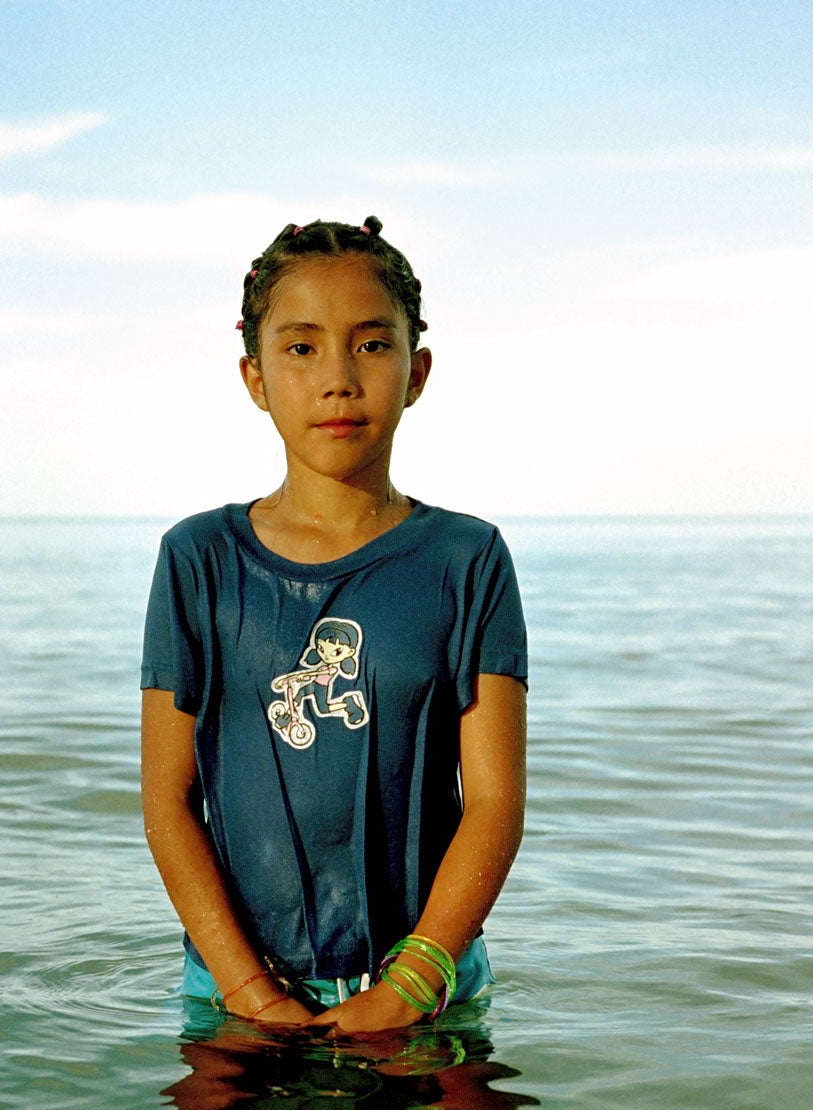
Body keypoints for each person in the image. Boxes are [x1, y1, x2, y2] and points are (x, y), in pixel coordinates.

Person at [141, 216, 527, 1034]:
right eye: (301, 347)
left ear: (417, 371)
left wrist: (409, 987)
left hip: (431, 988)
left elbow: (494, 802)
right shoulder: (198, 560)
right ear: (254, 377)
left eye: (372, 345)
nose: (339, 380)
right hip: (234, 992)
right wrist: (250, 994)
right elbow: (168, 802)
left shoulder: (468, 561)